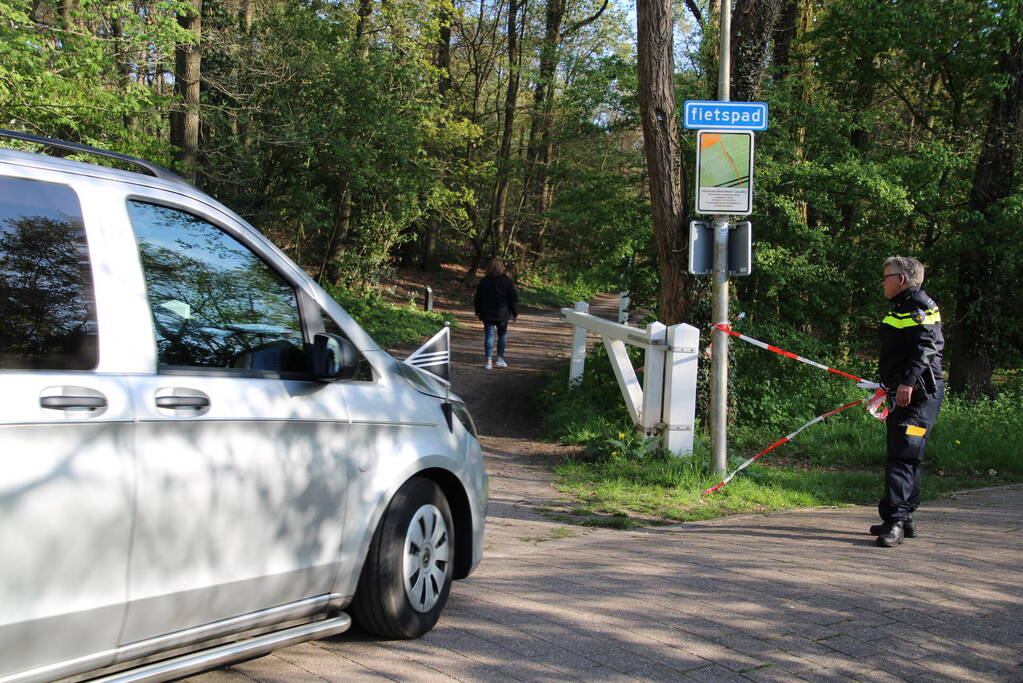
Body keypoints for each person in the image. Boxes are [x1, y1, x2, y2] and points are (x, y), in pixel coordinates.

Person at [867, 256, 945, 547]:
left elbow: (928, 347)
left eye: (886, 276)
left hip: (918, 394)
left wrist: (907, 382)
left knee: (902, 454)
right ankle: (906, 515)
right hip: (907, 391)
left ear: (901, 279)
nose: (882, 282)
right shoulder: (905, 306)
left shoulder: (919, 307)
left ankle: (896, 522)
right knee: (909, 453)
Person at [473, 258, 518, 370]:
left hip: (487, 312)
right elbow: (513, 298)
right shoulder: (507, 281)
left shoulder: (484, 281)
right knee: (502, 335)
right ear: (501, 268)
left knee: (489, 335)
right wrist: (514, 313)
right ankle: (500, 359)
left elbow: (478, 297)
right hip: (502, 313)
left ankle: (488, 362)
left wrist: (477, 311)